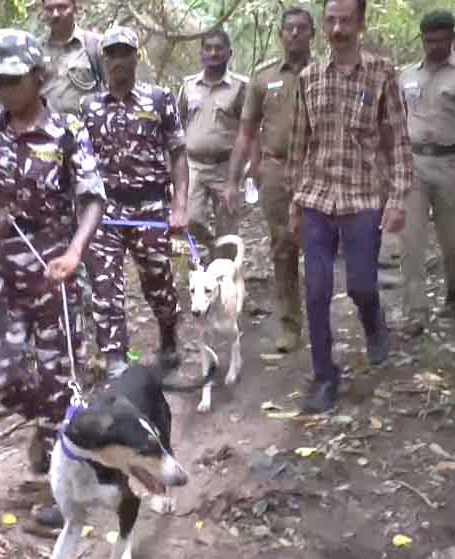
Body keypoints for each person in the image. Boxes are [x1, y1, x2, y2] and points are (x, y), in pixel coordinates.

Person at [0, 28, 104, 445]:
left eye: (12, 80)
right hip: (2, 272)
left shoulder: (66, 131)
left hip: (53, 270)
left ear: (38, 77)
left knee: (57, 375)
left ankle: (55, 454)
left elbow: (93, 199)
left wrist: (76, 252)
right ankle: (58, 422)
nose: (2, 89)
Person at [288, 0, 414, 413]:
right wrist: (295, 200)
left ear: (360, 23)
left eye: (346, 20)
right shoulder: (308, 77)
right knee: (318, 291)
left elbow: (397, 140)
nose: (337, 28)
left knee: (361, 284)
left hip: (362, 198)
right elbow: (298, 145)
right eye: (331, 20)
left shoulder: (382, 73)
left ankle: (373, 321)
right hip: (316, 198)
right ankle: (325, 377)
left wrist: (397, 198)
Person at [80, 26, 189, 379]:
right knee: (105, 286)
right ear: (104, 60)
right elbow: (80, 162)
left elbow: (177, 153)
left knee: (158, 283)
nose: (118, 61)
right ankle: (115, 361)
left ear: (135, 58)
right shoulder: (89, 106)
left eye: (124, 53)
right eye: (111, 54)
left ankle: (169, 336)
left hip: (151, 208)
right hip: (106, 212)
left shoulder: (159, 99)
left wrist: (180, 206)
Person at [224, 6, 315, 353]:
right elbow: (247, 133)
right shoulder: (263, 79)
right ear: (280, 34)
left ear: (312, 34)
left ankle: (324, 320)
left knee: (320, 246)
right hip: (276, 172)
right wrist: (237, 179)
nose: (294, 34)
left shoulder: (324, 72)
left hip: (318, 169)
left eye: (302, 28)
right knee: (282, 247)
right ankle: (290, 325)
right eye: (289, 28)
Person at [399, 11, 455, 334]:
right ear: (421, 38)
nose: (433, 46)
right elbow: (399, 120)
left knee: (453, 243)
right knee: (412, 242)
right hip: (414, 165)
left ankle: (454, 296)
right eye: (428, 40)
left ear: (452, 37)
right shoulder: (407, 76)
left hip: (452, 165)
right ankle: (416, 313)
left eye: (439, 40)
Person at [177, 29, 247, 261]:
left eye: (219, 48)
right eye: (208, 48)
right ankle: (209, 246)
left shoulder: (240, 87)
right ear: (201, 53)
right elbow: (177, 125)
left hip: (226, 167)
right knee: (191, 218)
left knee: (227, 228)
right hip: (193, 165)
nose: (214, 53)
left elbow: (249, 131)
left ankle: (224, 276)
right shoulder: (188, 86)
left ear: (230, 53)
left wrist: (237, 178)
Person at [40, 0, 103, 116]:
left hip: (85, 128)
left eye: (62, 7)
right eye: (49, 9)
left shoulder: (94, 45)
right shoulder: (37, 50)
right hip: (46, 130)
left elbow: (113, 90)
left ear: (75, 8)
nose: (55, 14)